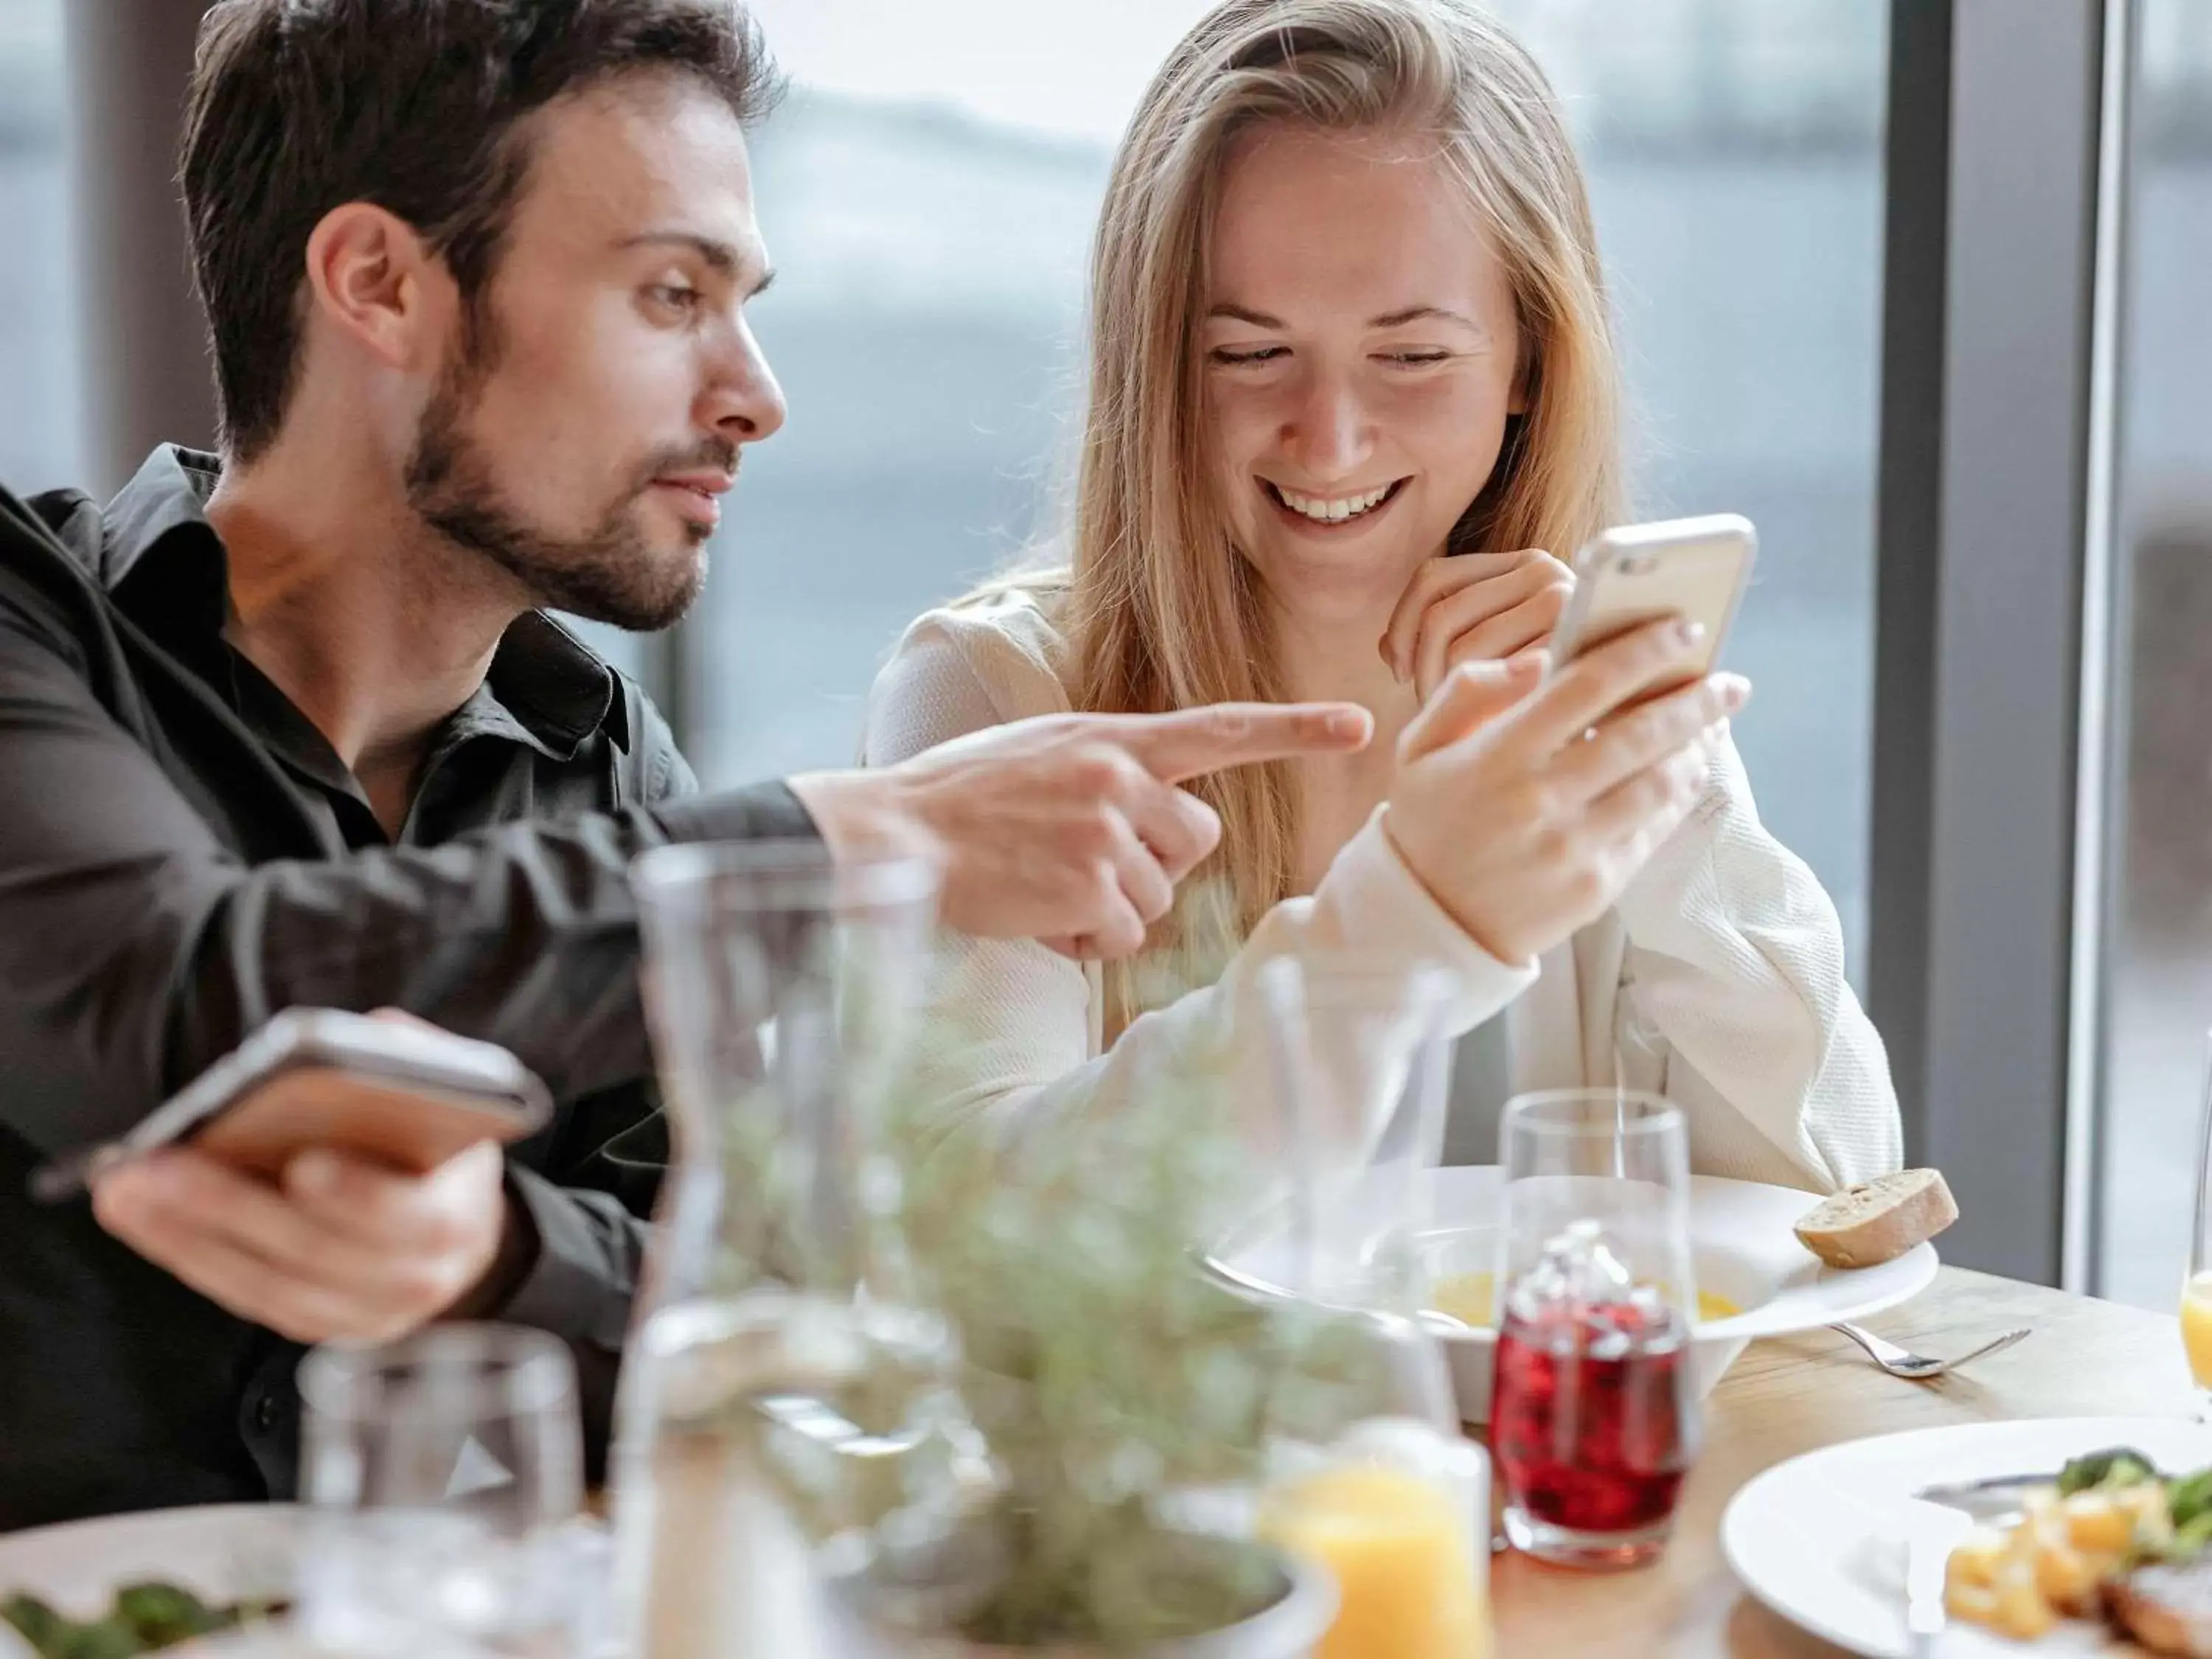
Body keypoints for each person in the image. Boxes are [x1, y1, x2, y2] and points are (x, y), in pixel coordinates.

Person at [0, 0, 1380, 1529]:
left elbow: (754, 1327)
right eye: (673, 295)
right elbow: (162, 993)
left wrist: (493, 1259)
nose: (757, 396)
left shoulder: (605, 773)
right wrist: (855, 844)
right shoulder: (30, 631)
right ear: (382, 286)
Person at [865, 0, 1902, 1189]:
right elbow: (954, 1239)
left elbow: (1836, 1196)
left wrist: (1665, 784)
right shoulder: (991, 690)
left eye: (1411, 356)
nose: (1331, 439)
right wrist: (1408, 923)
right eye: (1249, 353)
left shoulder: (1565, 699)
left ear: (1531, 363)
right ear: (1156, 367)